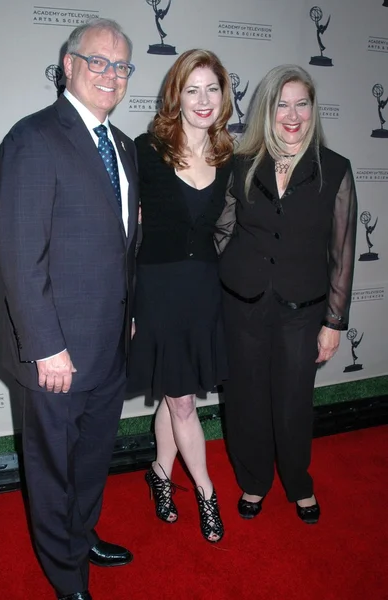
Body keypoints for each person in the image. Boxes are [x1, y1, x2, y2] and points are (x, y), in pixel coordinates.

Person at [0, 18, 138, 600]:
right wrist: (47, 346)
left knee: (92, 458)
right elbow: (16, 256)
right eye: (98, 61)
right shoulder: (33, 139)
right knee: (53, 471)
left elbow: (121, 248)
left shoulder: (122, 147)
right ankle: (65, 574)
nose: (111, 74)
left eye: (122, 65)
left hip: (108, 347)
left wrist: (128, 314)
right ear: (69, 64)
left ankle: (81, 535)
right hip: (54, 353)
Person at [215, 65, 357, 525]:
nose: (292, 115)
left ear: (313, 110)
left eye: (302, 103)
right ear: (267, 110)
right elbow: (223, 231)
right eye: (282, 104)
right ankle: (254, 480)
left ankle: (299, 483)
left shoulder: (334, 169)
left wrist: (334, 323)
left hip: (303, 309)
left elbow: (342, 250)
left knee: (294, 402)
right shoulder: (241, 163)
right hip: (241, 303)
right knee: (244, 400)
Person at [128, 49, 233, 543]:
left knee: (177, 394)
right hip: (159, 291)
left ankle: (160, 475)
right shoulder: (146, 150)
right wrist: (126, 304)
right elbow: (126, 230)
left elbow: (231, 231)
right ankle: (208, 495)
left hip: (202, 292)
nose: (203, 99)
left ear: (224, 95)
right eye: (192, 89)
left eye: (211, 87)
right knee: (184, 402)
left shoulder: (229, 157)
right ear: (176, 95)